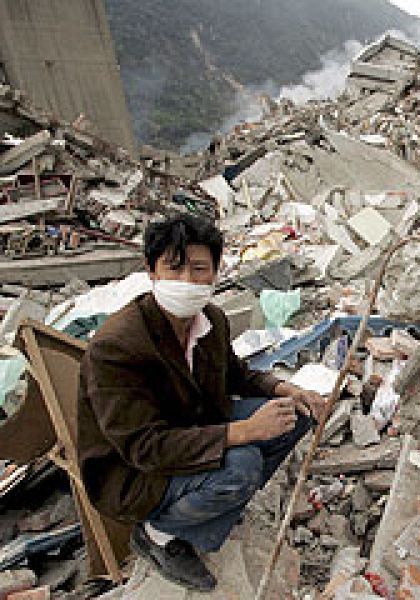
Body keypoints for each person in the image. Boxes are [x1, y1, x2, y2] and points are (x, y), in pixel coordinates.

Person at [77, 214, 324, 592]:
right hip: (134, 469)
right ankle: (160, 533)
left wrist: (285, 389)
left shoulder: (210, 319)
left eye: (198, 269)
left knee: (294, 416)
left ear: (215, 271)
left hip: (191, 425)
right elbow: (144, 447)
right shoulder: (117, 346)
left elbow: (235, 374)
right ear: (151, 270)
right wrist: (242, 433)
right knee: (243, 466)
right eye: (173, 269)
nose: (187, 282)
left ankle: (212, 508)